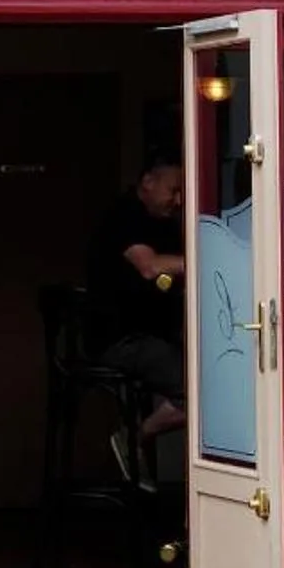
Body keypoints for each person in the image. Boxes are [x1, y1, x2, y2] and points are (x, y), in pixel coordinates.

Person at [89, 157, 187, 454]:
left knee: (206, 378)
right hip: (121, 338)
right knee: (198, 392)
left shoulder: (163, 222)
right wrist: (205, 258)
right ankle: (134, 437)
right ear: (148, 182)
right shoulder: (125, 216)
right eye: (174, 189)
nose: (179, 200)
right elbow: (151, 267)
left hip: (152, 337)